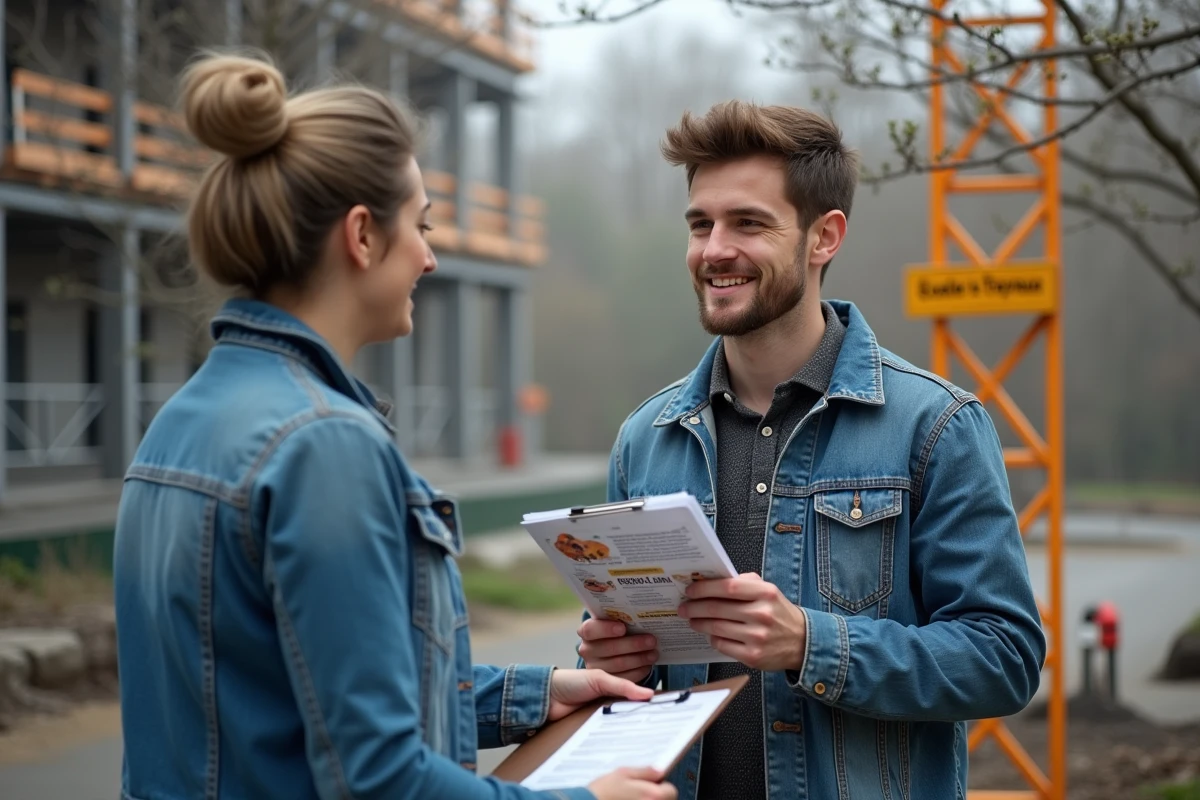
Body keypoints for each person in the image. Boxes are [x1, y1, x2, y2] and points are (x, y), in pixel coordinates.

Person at [111, 52, 675, 800]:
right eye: (421, 224)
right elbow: (377, 776)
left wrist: (538, 695)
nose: (431, 258)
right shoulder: (322, 447)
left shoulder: (179, 423)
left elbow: (294, 693)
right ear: (362, 236)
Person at [575, 100, 1047, 800]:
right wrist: (613, 661)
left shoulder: (936, 424)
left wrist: (809, 644)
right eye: (700, 224)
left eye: (748, 223)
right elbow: (628, 685)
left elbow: (1004, 660)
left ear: (824, 237)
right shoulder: (645, 437)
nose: (714, 250)